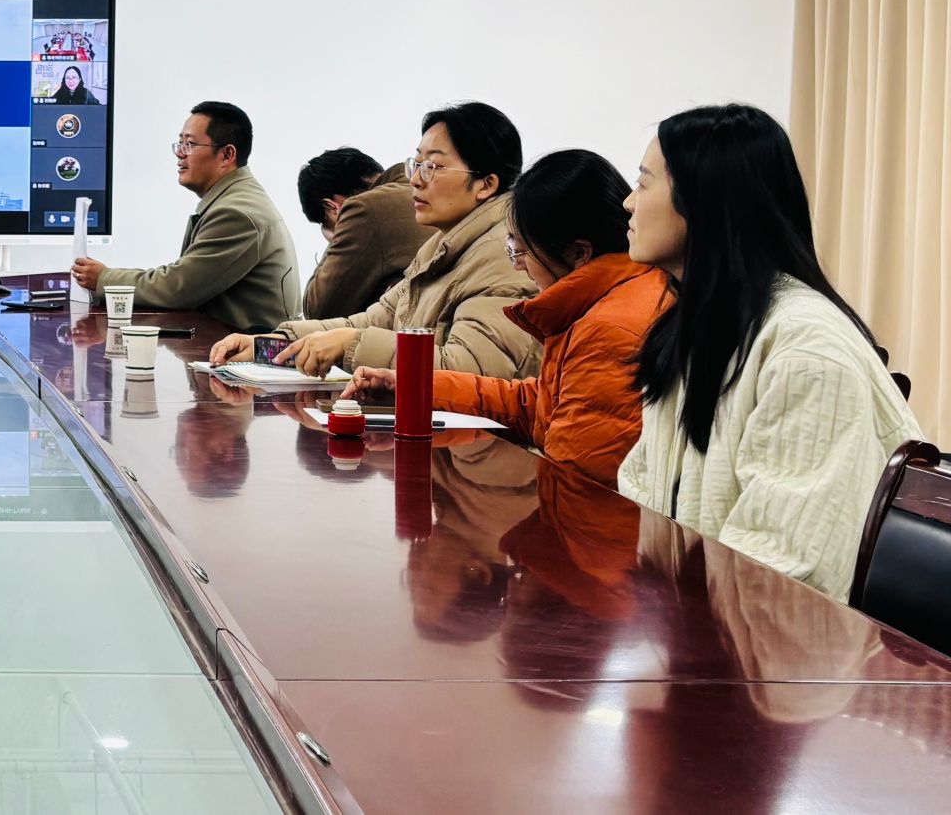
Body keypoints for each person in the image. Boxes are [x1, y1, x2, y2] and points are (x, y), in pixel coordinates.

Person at [615, 104, 919, 600]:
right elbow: (642, 489)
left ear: (704, 199)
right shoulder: (697, 329)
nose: (629, 203)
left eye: (643, 183)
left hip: (773, 640)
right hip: (693, 621)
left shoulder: (806, 349)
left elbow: (785, 568)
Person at [340, 150, 671, 486]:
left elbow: (575, 488)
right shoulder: (610, 303)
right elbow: (538, 406)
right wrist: (412, 386)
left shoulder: (607, 331)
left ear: (578, 253)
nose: (416, 180)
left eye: (521, 250)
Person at [210, 102, 539, 380]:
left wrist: (351, 343)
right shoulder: (441, 249)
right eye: (416, 164)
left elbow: (469, 370)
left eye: (433, 167)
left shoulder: (504, 257)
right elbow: (374, 319)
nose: (415, 180)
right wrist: (268, 345)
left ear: (486, 184)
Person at [71, 101, 299, 332]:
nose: (180, 153)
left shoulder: (237, 213)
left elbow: (176, 288)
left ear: (226, 155)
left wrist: (104, 279)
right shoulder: (233, 199)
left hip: (251, 350)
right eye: (180, 143)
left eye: (189, 144)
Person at [295, 146, 431, 320]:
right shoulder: (417, 191)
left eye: (324, 223)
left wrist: (337, 237)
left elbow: (318, 310)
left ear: (332, 207)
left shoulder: (364, 209)